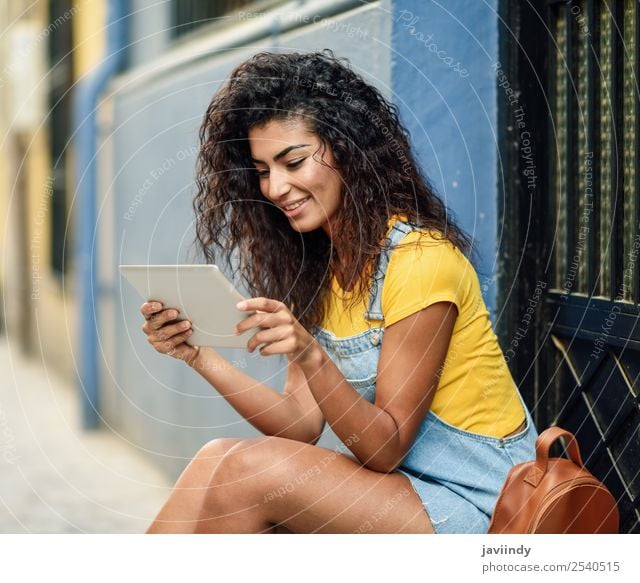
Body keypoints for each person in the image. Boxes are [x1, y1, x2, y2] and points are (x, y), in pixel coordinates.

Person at [140, 49, 537, 534]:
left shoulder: (420, 261)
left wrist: (311, 354)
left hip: (484, 506)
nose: (276, 187)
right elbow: (300, 425)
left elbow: (386, 448)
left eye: (293, 161)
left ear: (347, 150)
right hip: (402, 492)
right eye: (264, 170)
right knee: (217, 458)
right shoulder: (319, 270)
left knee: (248, 471)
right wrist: (197, 354)